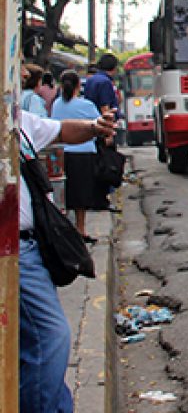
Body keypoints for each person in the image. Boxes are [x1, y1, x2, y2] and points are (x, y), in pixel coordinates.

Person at [18, 108, 116, 413]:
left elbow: (60, 130)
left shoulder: (16, 119)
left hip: (30, 246)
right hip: (15, 253)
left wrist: (94, 127)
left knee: (38, 348)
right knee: (50, 337)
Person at [51, 70, 111, 239]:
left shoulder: (56, 104)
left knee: (64, 192)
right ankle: (80, 229)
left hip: (61, 153)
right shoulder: (87, 105)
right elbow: (100, 125)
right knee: (82, 192)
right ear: (79, 86)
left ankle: (66, 229)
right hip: (83, 153)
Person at [83, 53, 120, 118]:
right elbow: (105, 109)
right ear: (114, 67)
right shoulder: (106, 82)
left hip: (90, 118)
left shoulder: (90, 80)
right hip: (101, 121)